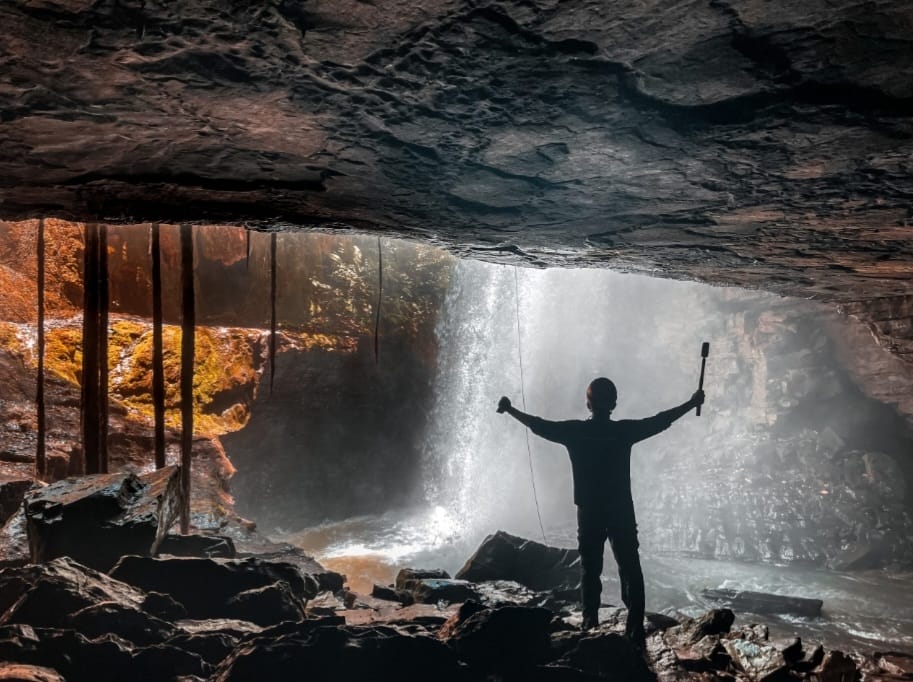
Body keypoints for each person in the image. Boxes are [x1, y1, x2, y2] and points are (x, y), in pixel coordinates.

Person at [497, 378, 704, 649]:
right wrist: (691, 403)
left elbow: (539, 425)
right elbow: (660, 421)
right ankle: (634, 628)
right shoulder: (624, 432)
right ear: (614, 403)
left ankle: (589, 622)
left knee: (590, 567)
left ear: (588, 403)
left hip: (589, 510)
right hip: (620, 509)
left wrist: (511, 410)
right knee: (630, 566)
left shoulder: (574, 432)